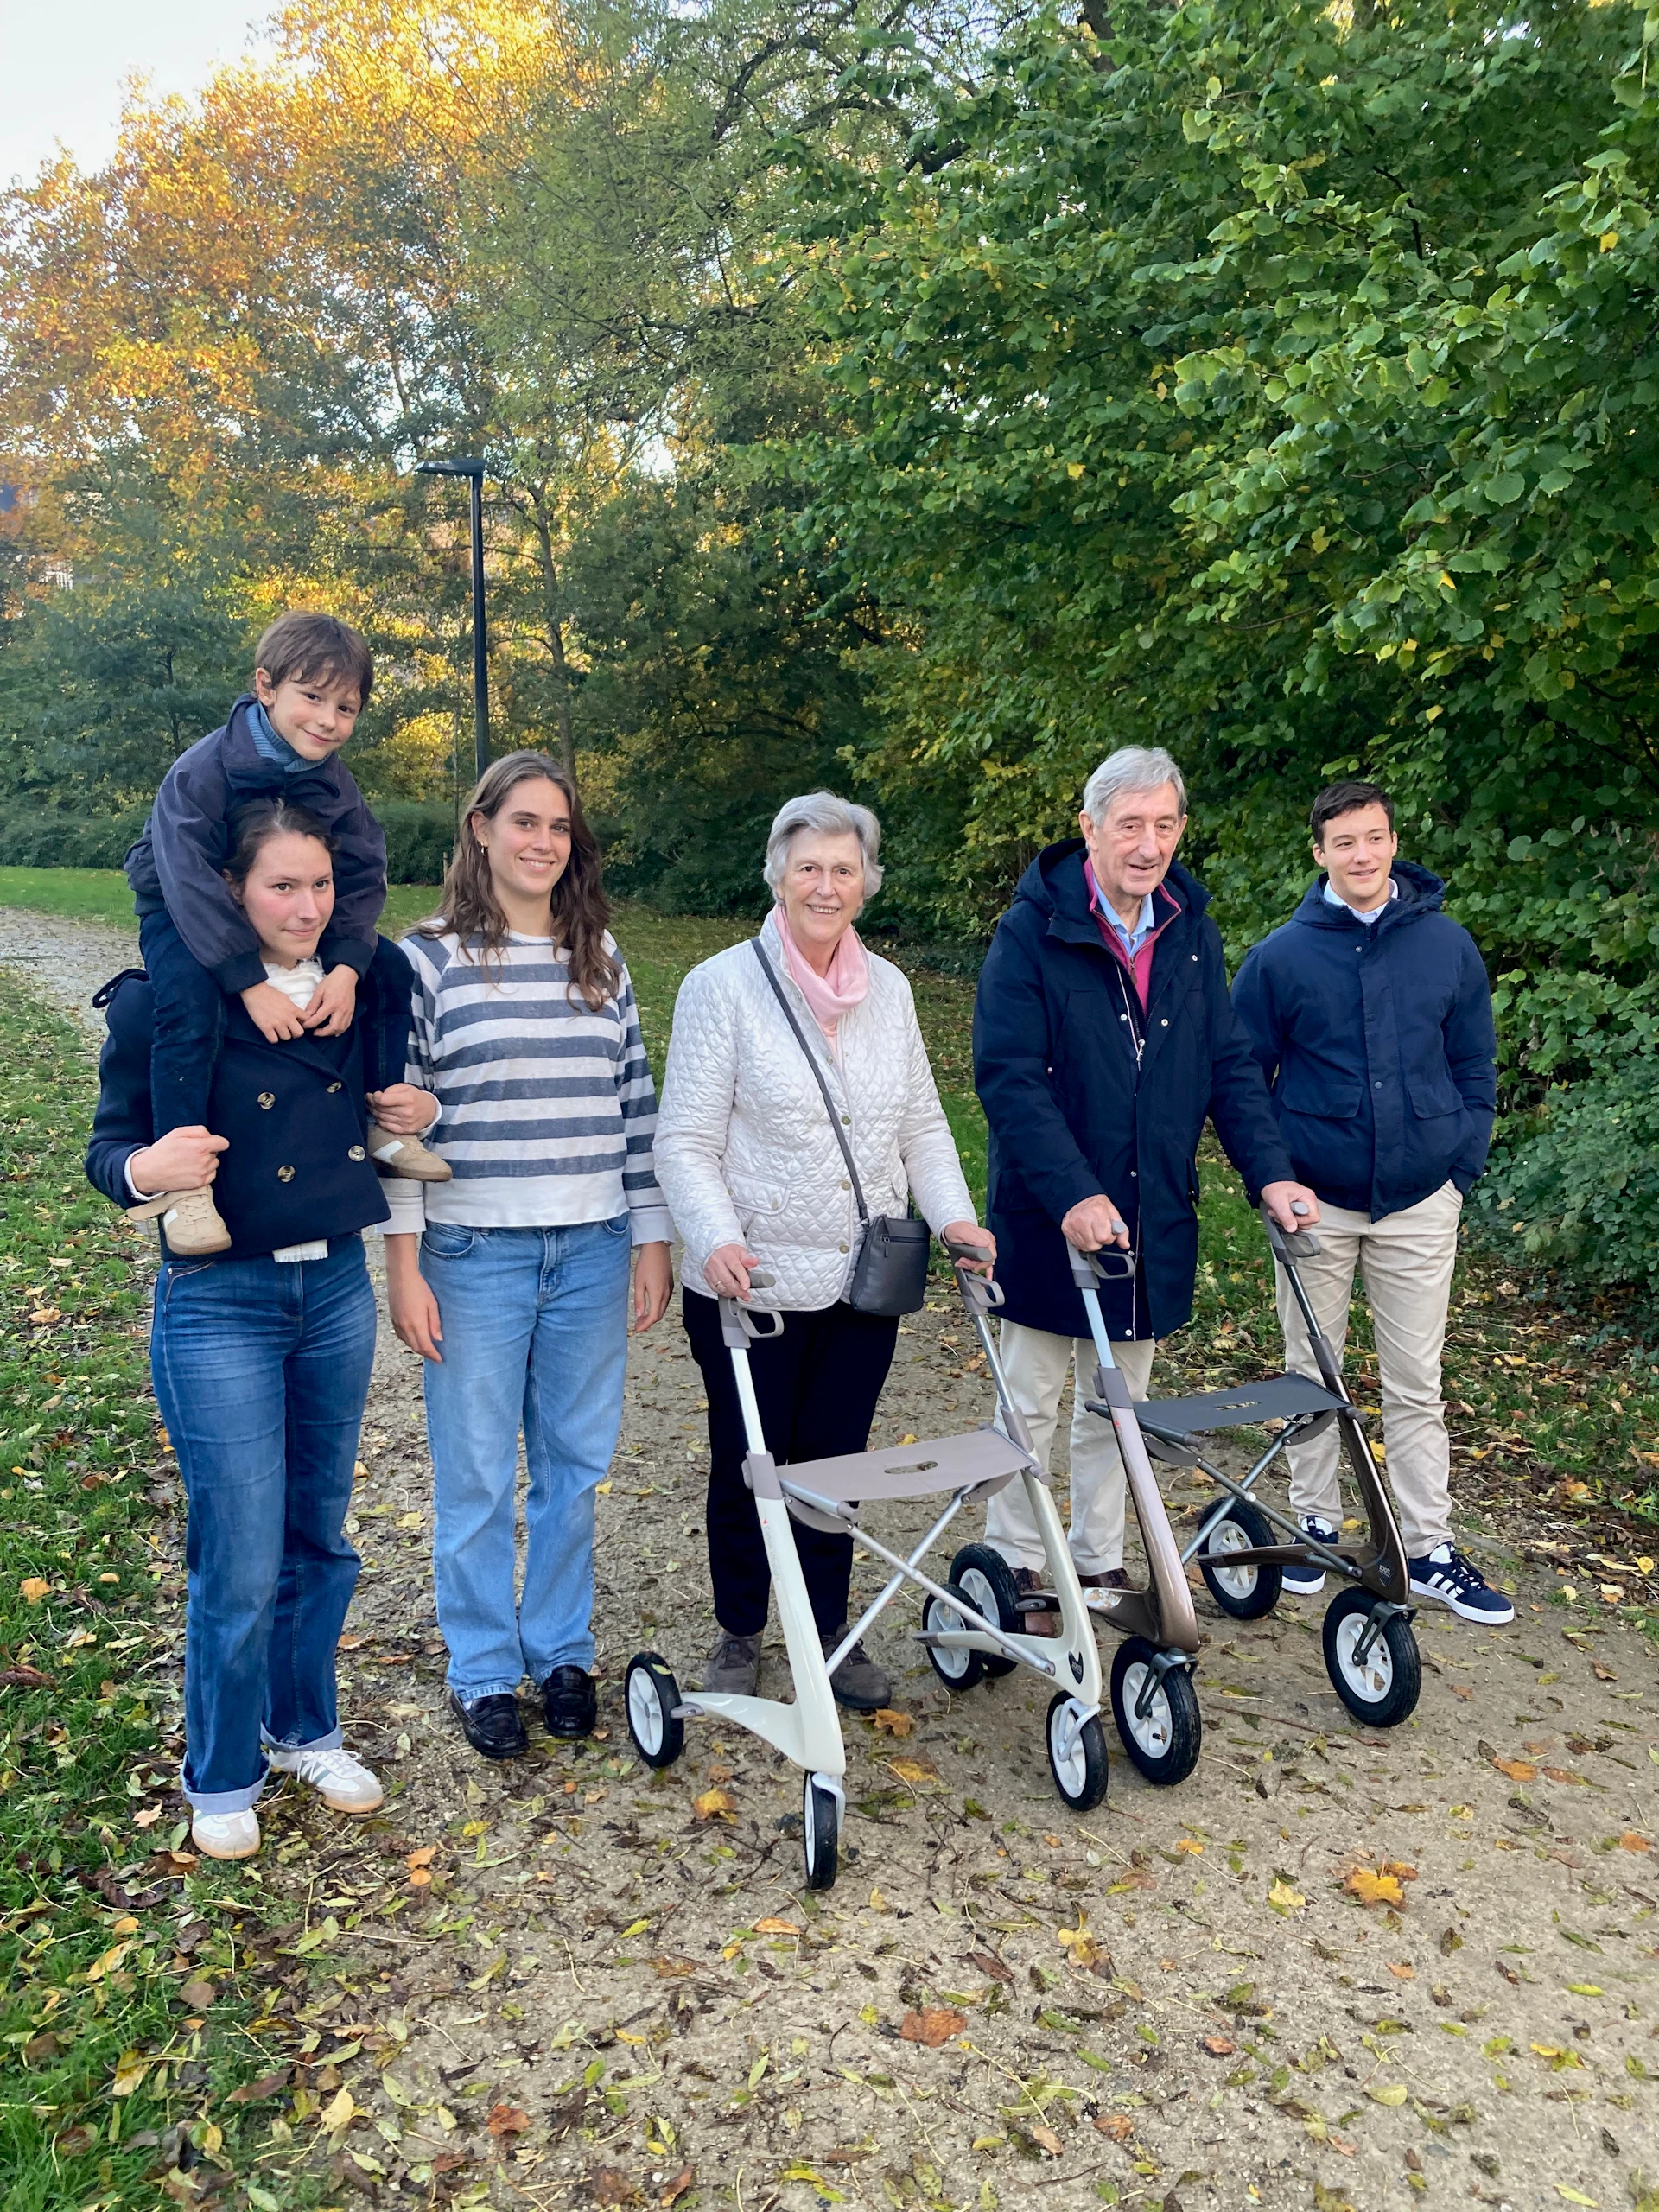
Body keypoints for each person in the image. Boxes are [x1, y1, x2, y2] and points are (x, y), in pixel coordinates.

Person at [86, 800, 438, 1858]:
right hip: (217, 1298)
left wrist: (418, 1113)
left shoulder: (357, 985)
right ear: (232, 893)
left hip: (331, 1286)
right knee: (236, 1552)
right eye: (282, 885)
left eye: (321, 885)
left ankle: (305, 1727)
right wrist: (146, 1171)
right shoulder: (170, 1001)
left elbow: (390, 1103)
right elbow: (109, 1148)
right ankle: (224, 1765)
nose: (307, 906)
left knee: (318, 1536)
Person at [655, 791, 994, 1708]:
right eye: (809, 866)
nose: (826, 884)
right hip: (752, 1279)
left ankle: (830, 1626)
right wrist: (715, 1237)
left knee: (837, 1460)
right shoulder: (720, 986)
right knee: (750, 1459)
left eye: (845, 868)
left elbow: (922, 1125)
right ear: (776, 873)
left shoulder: (889, 990)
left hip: (864, 1279)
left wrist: (956, 1218)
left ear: (868, 883)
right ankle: (740, 1629)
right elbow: (682, 1138)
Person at [972, 747, 1320, 1624]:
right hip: (1051, 1213)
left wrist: (1271, 1174)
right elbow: (1009, 1074)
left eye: (1165, 823)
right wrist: (1072, 1192)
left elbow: (1229, 1065)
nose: (1149, 842)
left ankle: (1095, 1559)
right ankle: (1014, 1559)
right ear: (1088, 828)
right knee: (1031, 1396)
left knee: (1118, 1402)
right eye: (1130, 824)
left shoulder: (1190, 929)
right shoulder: (1033, 929)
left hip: (1150, 1210)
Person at [382, 753, 674, 1761]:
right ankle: (479, 1667)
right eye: (524, 822)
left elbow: (637, 1110)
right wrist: (405, 1264)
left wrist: (649, 1237)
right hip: (473, 1250)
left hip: (591, 1247)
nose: (543, 842)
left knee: (571, 1465)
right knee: (475, 1475)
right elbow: (395, 1126)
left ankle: (560, 1650)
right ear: (481, 828)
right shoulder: (423, 961)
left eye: (559, 827)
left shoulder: (602, 957)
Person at [1230, 781, 1510, 1622]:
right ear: (1319, 853)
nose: (1362, 854)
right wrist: (1271, 1179)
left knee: (1415, 1383)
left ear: (1394, 842)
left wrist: (1460, 1166)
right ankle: (1315, 1525)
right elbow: (1243, 1081)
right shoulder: (1280, 957)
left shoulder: (1447, 945)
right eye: (1344, 841)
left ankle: (1427, 1547)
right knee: (1310, 1373)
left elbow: (1474, 1062)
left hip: (1422, 1201)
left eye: (1375, 837)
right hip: (1315, 1204)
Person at [124, 610, 447, 1256]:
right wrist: (246, 980)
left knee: (391, 966)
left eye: (347, 707)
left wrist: (349, 966)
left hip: (280, 886)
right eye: (313, 698)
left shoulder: (334, 781)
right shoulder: (203, 770)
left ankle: (383, 1119)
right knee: (186, 1002)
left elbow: (360, 871)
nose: (329, 721)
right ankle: (186, 1187)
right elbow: (186, 877)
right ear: (266, 686)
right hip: (181, 905)